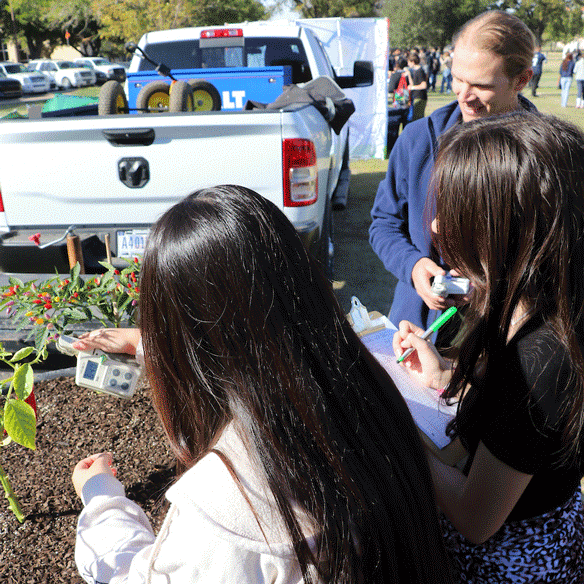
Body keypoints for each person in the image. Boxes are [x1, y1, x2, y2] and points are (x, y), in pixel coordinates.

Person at [71, 185, 454, 584]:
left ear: (187, 345)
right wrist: (148, 342)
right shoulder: (372, 393)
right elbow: (263, 347)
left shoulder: (228, 502)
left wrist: (101, 499)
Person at [393, 112, 584, 583]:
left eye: (459, 208)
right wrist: (442, 378)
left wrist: (394, 427)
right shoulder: (538, 306)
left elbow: (475, 520)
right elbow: (504, 434)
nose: (436, 226)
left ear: (514, 226)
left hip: (506, 565)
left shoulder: (541, 359)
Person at [369, 10, 535, 336]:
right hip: (416, 324)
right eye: (458, 78)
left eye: (481, 85)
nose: (463, 95)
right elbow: (384, 223)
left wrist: (492, 282)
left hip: (508, 336)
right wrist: (413, 265)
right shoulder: (417, 141)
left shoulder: (550, 156)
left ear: (522, 80)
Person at [406, 53, 428, 121]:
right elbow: (413, 84)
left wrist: (412, 88)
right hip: (415, 96)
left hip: (420, 97)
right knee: (414, 117)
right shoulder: (414, 71)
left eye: (409, 62)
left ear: (413, 61)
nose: (408, 64)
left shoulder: (420, 71)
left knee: (418, 119)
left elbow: (424, 85)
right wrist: (409, 75)